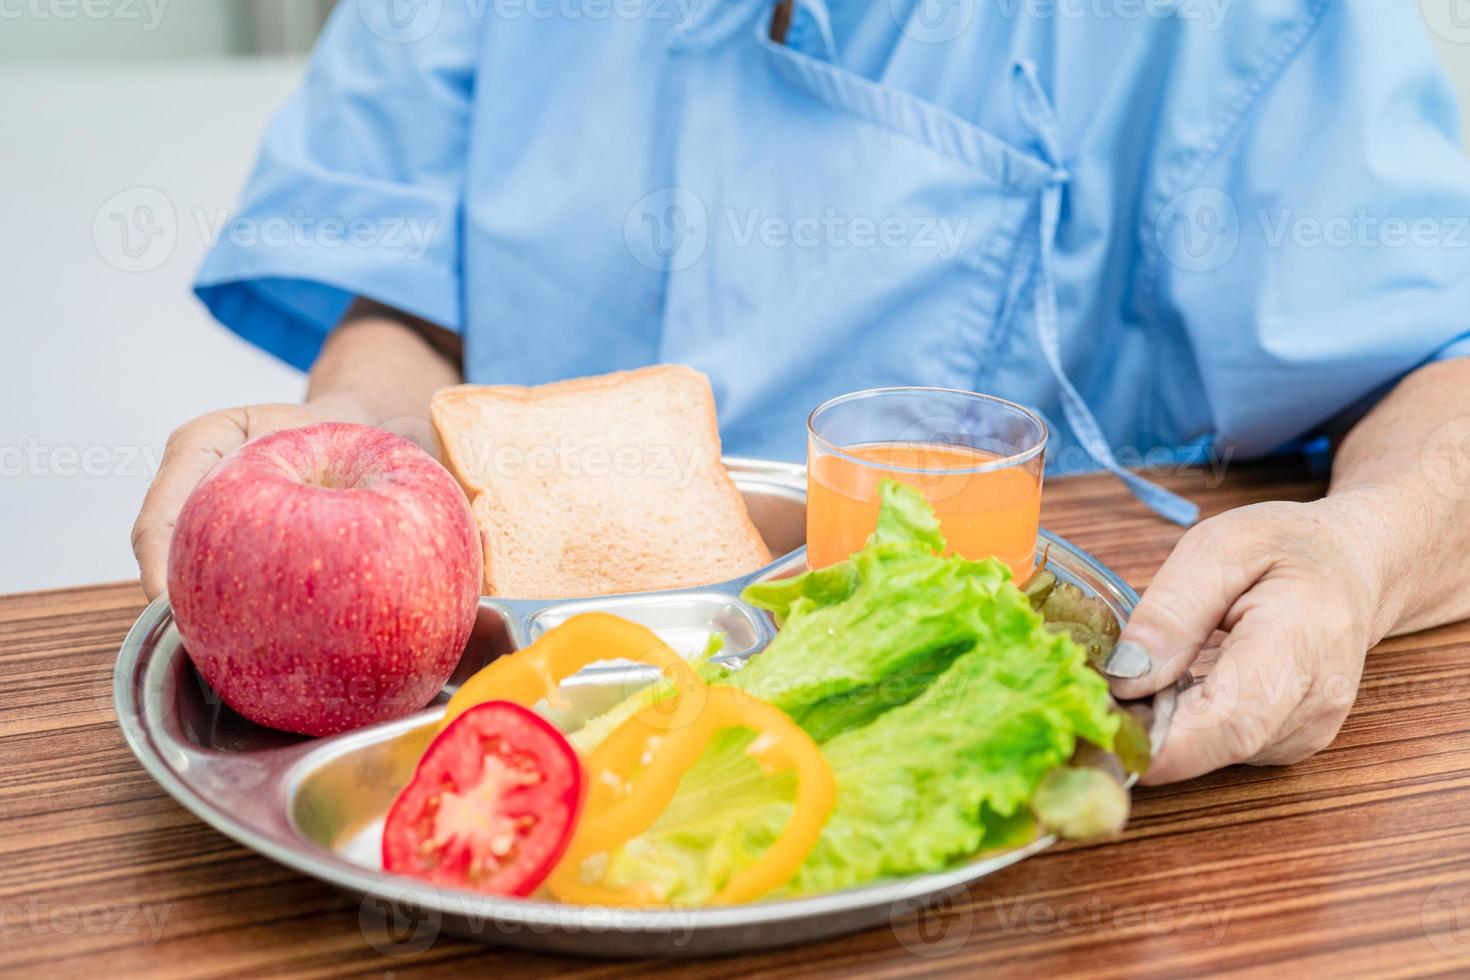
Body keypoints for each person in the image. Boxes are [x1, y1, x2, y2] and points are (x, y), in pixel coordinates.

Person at [132, 0, 1470, 783]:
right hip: (510, 745)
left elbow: (1435, 369)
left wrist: (1352, 554)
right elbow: (400, 303)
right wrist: (337, 479)